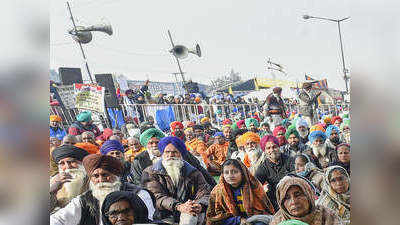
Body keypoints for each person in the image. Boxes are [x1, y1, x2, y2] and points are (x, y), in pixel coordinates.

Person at [50, 154, 155, 225]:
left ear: (116, 175)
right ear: (91, 179)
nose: (101, 180)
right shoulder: (84, 200)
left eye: (105, 175)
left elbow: (146, 222)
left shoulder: (138, 194)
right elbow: (57, 220)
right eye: (96, 176)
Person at [142, 136, 211, 225]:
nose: (171, 155)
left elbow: (205, 193)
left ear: (181, 154)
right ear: (162, 153)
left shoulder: (193, 172)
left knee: (189, 218)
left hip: (189, 211)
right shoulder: (151, 172)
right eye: (167, 152)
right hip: (162, 215)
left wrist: (199, 205)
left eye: (175, 152)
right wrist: (178, 206)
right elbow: (156, 196)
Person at [132, 128, 216, 188]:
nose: (154, 145)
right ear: (146, 144)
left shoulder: (182, 153)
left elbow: (200, 170)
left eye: (157, 142)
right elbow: (139, 183)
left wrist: (214, 187)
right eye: (151, 143)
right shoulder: (139, 160)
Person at [206, 159, 275, 225]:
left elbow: (263, 211)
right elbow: (213, 217)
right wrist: (238, 220)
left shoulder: (253, 186)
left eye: (235, 172)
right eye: (226, 172)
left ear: (242, 173)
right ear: (222, 175)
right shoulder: (218, 191)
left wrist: (248, 220)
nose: (230, 175)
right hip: (231, 221)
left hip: (254, 219)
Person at [269, 176, 341, 225]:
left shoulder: (327, 216)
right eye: (287, 198)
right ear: (281, 203)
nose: (294, 202)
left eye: (298, 195)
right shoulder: (277, 221)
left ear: (309, 195)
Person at [255, 135, 293, 211]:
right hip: (275, 200)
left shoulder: (289, 160)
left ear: (279, 147)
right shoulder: (263, 167)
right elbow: (255, 184)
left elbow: (296, 176)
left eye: (274, 147)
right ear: (264, 151)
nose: (272, 150)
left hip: (291, 194)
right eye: (268, 148)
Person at [50, 145, 89, 213]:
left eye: (72, 162)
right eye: (62, 163)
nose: (68, 167)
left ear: (82, 164)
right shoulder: (53, 181)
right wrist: (52, 192)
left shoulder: (93, 180)